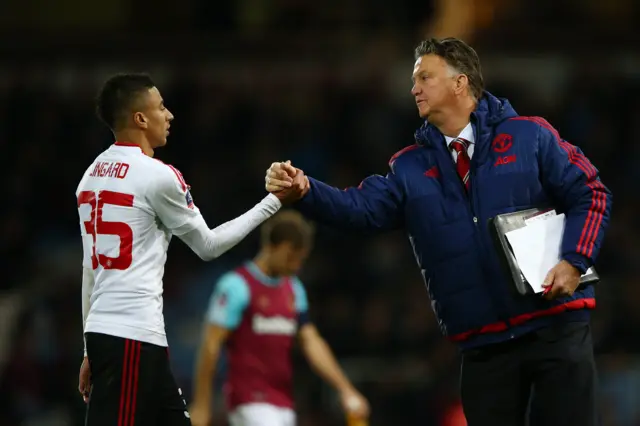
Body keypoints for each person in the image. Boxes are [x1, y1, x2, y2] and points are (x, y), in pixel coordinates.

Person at [264, 38, 612, 426]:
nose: (414, 88)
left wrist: (574, 262)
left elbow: (590, 192)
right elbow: (359, 209)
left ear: (460, 83)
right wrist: (307, 190)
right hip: (484, 345)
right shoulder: (409, 168)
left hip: (556, 327)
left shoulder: (530, 136)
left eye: (424, 77)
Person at [76, 73, 304, 426]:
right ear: (140, 118)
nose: (169, 115)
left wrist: (90, 347)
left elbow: (90, 270)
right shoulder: (156, 175)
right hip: (131, 335)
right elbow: (209, 246)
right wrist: (273, 202)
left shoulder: (90, 177)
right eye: (161, 107)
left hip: (118, 335)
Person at [189, 210, 369, 426]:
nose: (296, 266)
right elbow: (211, 344)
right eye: (293, 258)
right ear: (276, 247)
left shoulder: (293, 289)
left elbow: (312, 342)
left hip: (283, 401)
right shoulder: (236, 285)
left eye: (300, 259)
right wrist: (201, 404)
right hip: (248, 400)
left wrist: (345, 389)